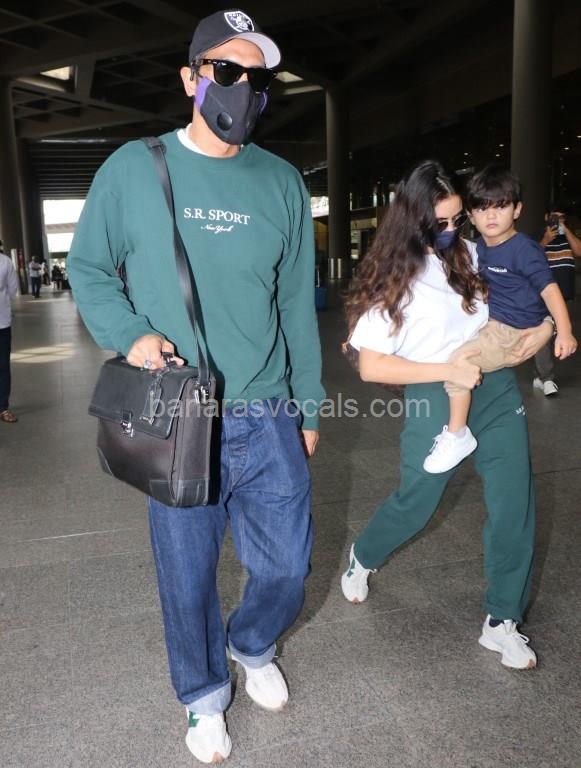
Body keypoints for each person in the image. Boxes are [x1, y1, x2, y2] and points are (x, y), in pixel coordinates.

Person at [68, 8, 324, 765]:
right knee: (186, 577)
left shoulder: (280, 181)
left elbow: (294, 305)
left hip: (267, 408)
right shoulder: (133, 168)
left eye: (257, 76)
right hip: (180, 414)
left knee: (286, 568)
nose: (243, 87)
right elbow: (87, 268)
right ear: (190, 78)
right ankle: (204, 695)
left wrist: (308, 406)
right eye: (226, 70)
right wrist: (130, 333)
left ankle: (252, 643)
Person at [341, 160, 553, 671]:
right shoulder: (395, 277)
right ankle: (363, 555)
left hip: (494, 387)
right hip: (435, 392)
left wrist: (544, 327)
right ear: (413, 220)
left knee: (514, 502)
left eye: (458, 219)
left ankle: (502, 620)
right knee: (419, 500)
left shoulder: (471, 254)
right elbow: (371, 366)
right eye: (441, 222)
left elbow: (523, 295)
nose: (453, 230)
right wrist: (450, 369)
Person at [422, 167, 577, 474]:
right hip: (494, 325)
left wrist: (563, 330)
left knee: (459, 362)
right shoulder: (480, 247)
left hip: (512, 331)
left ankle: (457, 435)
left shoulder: (524, 249)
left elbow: (549, 289)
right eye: (482, 209)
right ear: (470, 216)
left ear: (517, 210)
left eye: (501, 207)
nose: (491, 216)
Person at [533, 203, 581, 395]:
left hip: (565, 295)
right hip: (543, 295)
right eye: (554, 217)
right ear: (547, 217)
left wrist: (566, 230)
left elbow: (579, 251)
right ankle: (547, 379)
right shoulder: (538, 235)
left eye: (561, 217)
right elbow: (530, 256)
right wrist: (546, 239)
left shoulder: (568, 237)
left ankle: (539, 376)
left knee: (555, 335)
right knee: (544, 334)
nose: (557, 220)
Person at [0, 240, 19, 423]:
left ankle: (3, 407)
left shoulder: (5, 262)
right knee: (2, 366)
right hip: (2, 319)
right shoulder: (5, 261)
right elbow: (12, 290)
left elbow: (13, 291)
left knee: (3, 366)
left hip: (2, 323)